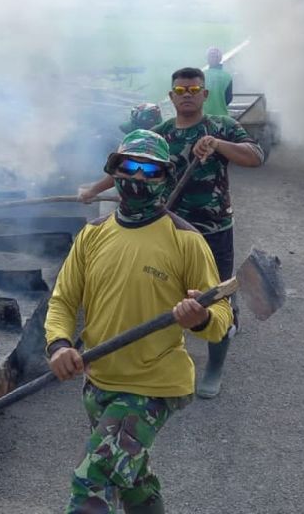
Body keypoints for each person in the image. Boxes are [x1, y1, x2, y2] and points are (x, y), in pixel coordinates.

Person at [46, 129, 233, 514]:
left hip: (153, 387)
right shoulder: (92, 235)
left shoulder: (186, 240)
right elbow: (63, 301)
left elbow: (221, 316)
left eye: (150, 170)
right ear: (114, 170)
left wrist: (199, 318)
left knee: (93, 480)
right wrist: (60, 344)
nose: (139, 177)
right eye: (129, 166)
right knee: (134, 480)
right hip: (98, 382)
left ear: (163, 177)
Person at [79, 67, 263, 398]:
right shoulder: (162, 134)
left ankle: (214, 368)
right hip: (169, 230)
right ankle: (158, 356)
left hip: (213, 230)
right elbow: (129, 163)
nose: (187, 94)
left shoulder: (221, 127)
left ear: (204, 95)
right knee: (167, 293)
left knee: (216, 298)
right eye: (180, 91)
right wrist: (94, 189)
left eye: (194, 89)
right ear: (171, 96)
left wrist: (218, 145)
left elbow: (255, 157)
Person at [201, 47, 233, 117]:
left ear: (207, 59)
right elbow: (229, 98)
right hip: (222, 115)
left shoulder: (201, 75)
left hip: (204, 116)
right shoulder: (227, 76)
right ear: (220, 59)